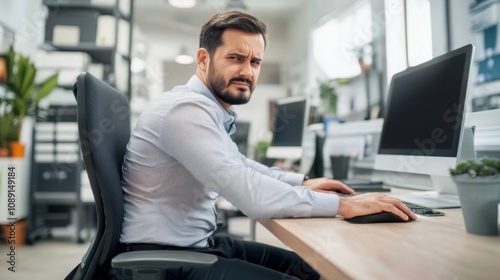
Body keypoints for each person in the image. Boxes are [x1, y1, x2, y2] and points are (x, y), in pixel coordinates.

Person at [119, 10, 417, 280]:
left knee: (316, 270)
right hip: (167, 263)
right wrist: (343, 205)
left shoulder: (204, 108)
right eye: (236, 58)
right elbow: (247, 193)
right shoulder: (185, 111)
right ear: (203, 58)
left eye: (255, 61)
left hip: (196, 246)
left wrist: (303, 181)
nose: (247, 72)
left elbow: (240, 166)